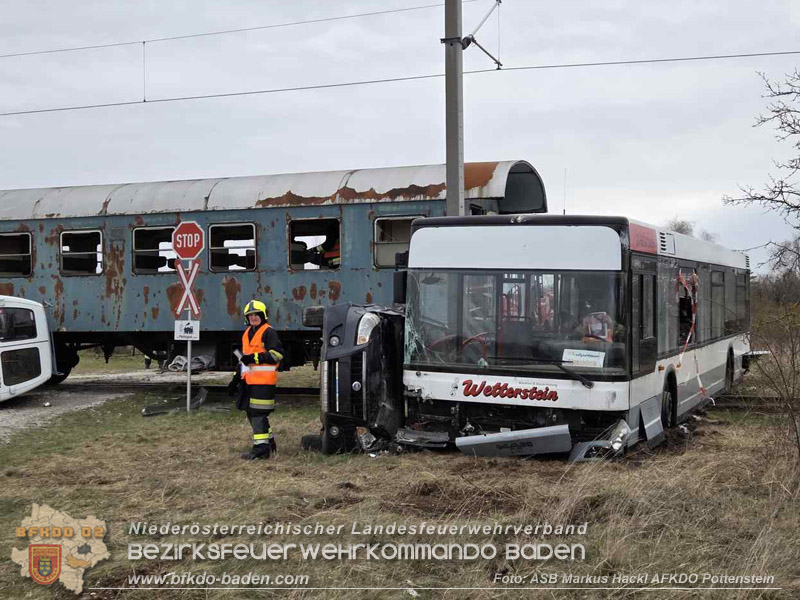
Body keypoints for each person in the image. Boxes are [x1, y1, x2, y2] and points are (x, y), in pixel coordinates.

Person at [237, 300, 284, 460]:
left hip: (264, 383)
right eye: (250, 315)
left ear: (263, 316)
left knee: (258, 415)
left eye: (257, 314)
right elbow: (245, 360)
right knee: (252, 414)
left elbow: (277, 355)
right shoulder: (247, 333)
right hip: (249, 382)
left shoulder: (269, 332)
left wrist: (254, 357)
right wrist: (236, 378)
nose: (254, 317)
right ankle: (269, 443)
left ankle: (261, 450)